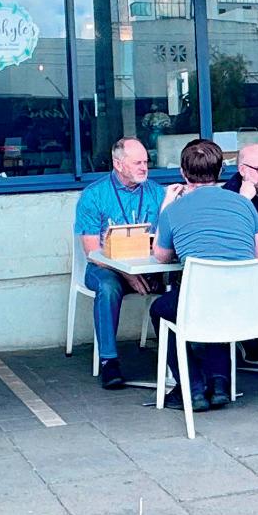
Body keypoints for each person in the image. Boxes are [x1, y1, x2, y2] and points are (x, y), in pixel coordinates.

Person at [149, 137, 258, 412]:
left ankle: (192, 387)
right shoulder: (244, 204)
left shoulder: (174, 211)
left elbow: (161, 256)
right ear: (221, 171)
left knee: (161, 310)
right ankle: (219, 383)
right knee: (220, 300)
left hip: (199, 302)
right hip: (245, 302)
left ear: (183, 173)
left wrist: (166, 204)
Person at [74, 137, 160, 389]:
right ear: (118, 164)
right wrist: (128, 274)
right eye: (137, 163)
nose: (144, 167)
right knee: (108, 288)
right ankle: (109, 361)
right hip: (105, 267)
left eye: (146, 162)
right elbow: (93, 252)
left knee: (178, 283)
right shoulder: (94, 195)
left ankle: (180, 357)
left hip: (150, 266)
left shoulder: (158, 192)